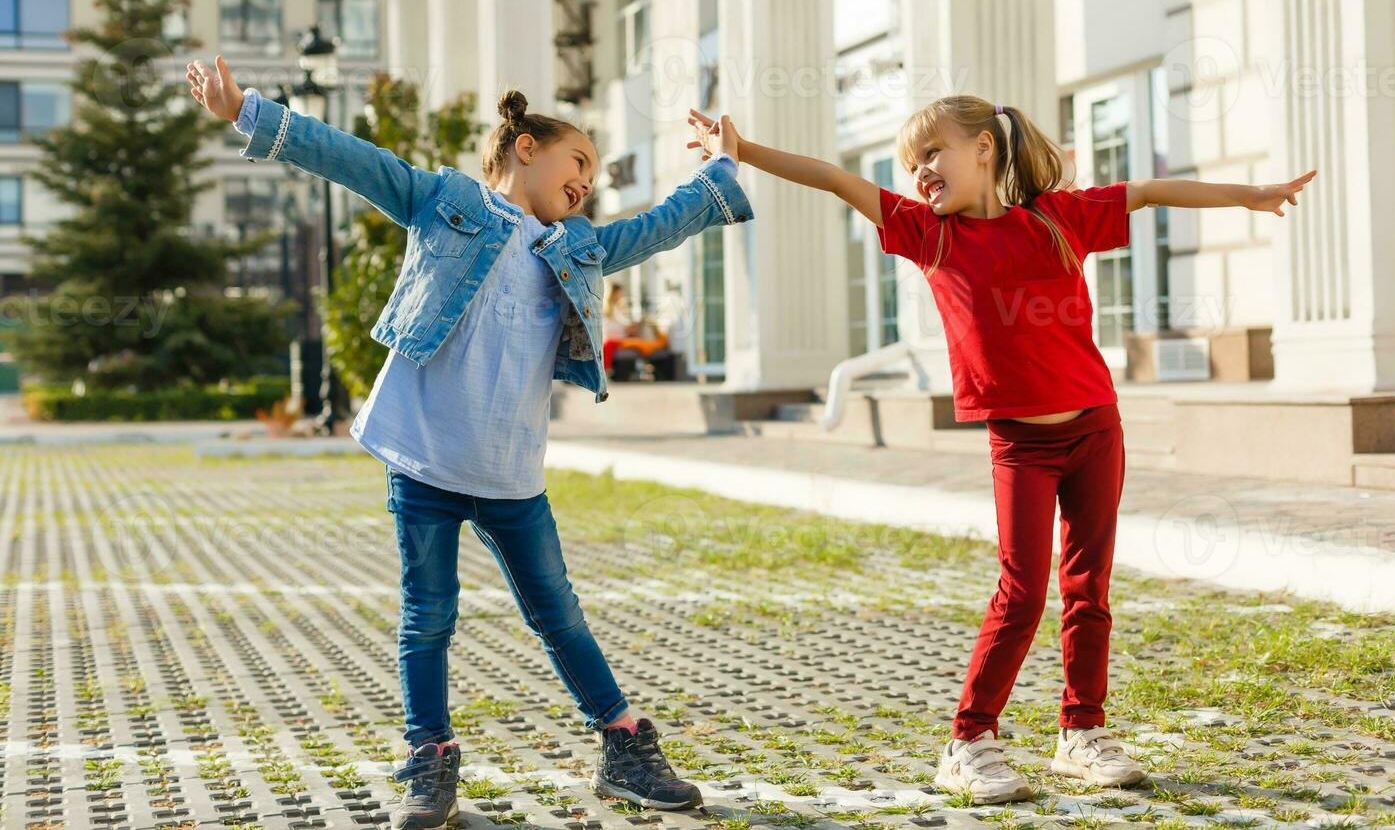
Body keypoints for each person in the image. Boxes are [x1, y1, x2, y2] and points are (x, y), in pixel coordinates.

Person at [687, 99, 1315, 803]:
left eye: (932, 153)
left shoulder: (1056, 218)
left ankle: (1081, 733)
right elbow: (835, 178)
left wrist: (1249, 197)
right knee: (1021, 592)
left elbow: (1149, 191)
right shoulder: (928, 236)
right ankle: (969, 741)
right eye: (911, 163)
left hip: (1096, 429)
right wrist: (744, 149)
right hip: (1022, 444)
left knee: (1090, 590)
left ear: (984, 147)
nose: (921, 172)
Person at [189, 54, 752, 829]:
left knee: (559, 615)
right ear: (527, 148)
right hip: (425, 460)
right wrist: (247, 111)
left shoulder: (579, 247)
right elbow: (355, 161)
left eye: (592, 169)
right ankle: (431, 761)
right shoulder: (446, 202)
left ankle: (623, 747)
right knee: (429, 616)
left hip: (512, 475)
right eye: (578, 159)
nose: (588, 178)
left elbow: (657, 227)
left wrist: (724, 165)